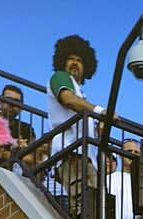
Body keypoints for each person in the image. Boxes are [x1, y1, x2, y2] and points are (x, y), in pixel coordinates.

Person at [46, 34, 103, 185]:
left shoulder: (81, 93)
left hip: (85, 157)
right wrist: (100, 112)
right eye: (71, 59)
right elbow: (68, 99)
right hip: (70, 154)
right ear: (63, 61)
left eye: (79, 60)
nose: (75, 63)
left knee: (96, 204)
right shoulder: (60, 77)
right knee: (82, 203)